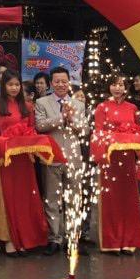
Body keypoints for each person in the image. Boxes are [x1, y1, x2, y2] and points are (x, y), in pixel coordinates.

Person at [0, 71, 61, 256]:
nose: (14, 88)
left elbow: (32, 131)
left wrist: (28, 141)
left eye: (17, 84)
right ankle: (9, 240)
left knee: (25, 199)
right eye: (10, 84)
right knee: (8, 199)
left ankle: (26, 239)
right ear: (4, 86)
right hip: (6, 160)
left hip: (25, 160)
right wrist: (4, 143)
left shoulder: (28, 106)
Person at [91, 74, 140, 254]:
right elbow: (98, 134)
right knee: (111, 200)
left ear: (126, 88)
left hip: (128, 160)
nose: (117, 88)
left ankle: (129, 240)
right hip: (110, 160)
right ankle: (111, 242)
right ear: (108, 87)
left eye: (121, 85)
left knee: (129, 199)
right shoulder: (102, 108)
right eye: (114, 84)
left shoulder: (132, 108)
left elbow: (137, 132)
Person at [35, 66, 90, 255]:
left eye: (64, 81)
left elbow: (85, 130)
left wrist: (72, 120)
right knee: (51, 200)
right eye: (57, 81)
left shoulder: (78, 104)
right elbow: (40, 126)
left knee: (74, 199)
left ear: (69, 83)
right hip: (52, 157)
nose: (61, 85)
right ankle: (54, 238)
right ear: (51, 83)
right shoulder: (42, 102)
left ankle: (72, 238)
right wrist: (61, 118)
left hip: (73, 158)